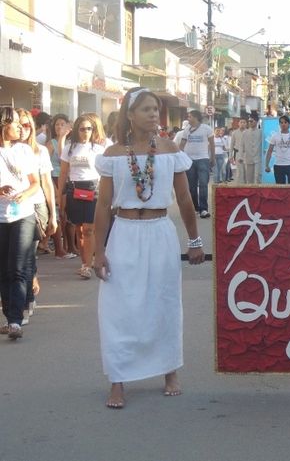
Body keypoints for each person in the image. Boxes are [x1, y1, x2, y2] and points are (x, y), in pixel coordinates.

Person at [93, 87, 205, 409]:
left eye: (155, 109)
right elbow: (102, 206)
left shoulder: (171, 150)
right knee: (119, 307)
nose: (154, 114)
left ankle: (169, 371)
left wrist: (195, 241)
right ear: (130, 115)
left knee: (164, 303)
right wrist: (98, 251)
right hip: (125, 233)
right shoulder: (113, 155)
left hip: (160, 234)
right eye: (146, 109)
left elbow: (185, 200)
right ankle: (118, 380)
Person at [0, 107, 40, 339]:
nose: (20, 128)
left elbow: (35, 182)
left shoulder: (24, 150)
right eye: (15, 123)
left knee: (16, 268)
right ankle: (9, 318)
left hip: (22, 215)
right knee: (3, 270)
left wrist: (25, 194)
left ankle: (15, 321)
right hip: (1, 218)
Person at [17, 109, 57, 324]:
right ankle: (22, 295)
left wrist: (54, 215)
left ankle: (26, 299)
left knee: (27, 255)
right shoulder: (7, 149)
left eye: (26, 125)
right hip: (11, 208)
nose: (22, 130)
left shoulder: (39, 150)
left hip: (35, 206)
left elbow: (47, 183)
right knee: (14, 259)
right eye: (18, 125)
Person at [57, 114, 106, 279]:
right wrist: (59, 195)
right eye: (83, 129)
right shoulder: (69, 148)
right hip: (74, 189)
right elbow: (63, 173)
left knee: (89, 229)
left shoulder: (99, 149)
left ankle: (87, 265)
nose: (86, 132)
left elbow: (106, 174)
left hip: (94, 188)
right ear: (77, 130)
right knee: (78, 228)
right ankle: (85, 261)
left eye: (89, 129)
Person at [46, 114, 77, 259]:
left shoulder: (72, 143)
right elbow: (59, 159)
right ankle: (60, 248)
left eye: (62, 124)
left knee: (69, 214)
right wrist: (61, 138)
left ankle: (71, 245)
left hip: (69, 180)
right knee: (59, 213)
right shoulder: (51, 143)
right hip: (55, 178)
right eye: (57, 124)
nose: (59, 127)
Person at [179, 110, 214, 218]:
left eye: (190, 116)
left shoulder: (207, 129)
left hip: (203, 159)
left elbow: (212, 144)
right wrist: (179, 157)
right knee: (191, 186)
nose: (188, 118)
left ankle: (203, 209)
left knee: (203, 184)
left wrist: (213, 157)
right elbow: (182, 144)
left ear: (196, 117)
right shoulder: (186, 130)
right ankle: (195, 207)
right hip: (189, 160)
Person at [264, 115, 290, 184]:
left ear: (289, 124)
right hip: (278, 165)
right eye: (281, 123)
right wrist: (267, 165)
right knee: (280, 190)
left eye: (285, 122)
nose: (283, 124)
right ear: (279, 124)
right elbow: (269, 151)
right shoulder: (274, 136)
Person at [240, 114, 262, 184]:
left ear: (256, 121)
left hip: (258, 158)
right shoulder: (245, 133)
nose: (249, 123)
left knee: (257, 177)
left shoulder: (261, 132)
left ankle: (258, 193)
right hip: (248, 158)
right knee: (249, 178)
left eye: (251, 121)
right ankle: (250, 194)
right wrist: (240, 156)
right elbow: (241, 145)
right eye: (249, 121)